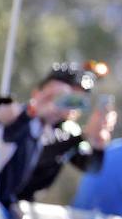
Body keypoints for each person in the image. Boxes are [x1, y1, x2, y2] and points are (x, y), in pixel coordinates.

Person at [0, 63, 104, 218]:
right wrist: (32, 110)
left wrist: (98, 141)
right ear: (36, 93)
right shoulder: (18, 115)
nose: (60, 105)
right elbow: (11, 125)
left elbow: (91, 167)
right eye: (51, 97)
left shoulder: (61, 130)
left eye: (76, 101)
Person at [18, 61, 115, 201]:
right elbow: (38, 155)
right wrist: (84, 135)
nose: (72, 106)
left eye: (79, 101)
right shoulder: (20, 117)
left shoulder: (68, 131)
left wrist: (98, 140)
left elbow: (91, 167)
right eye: (68, 97)